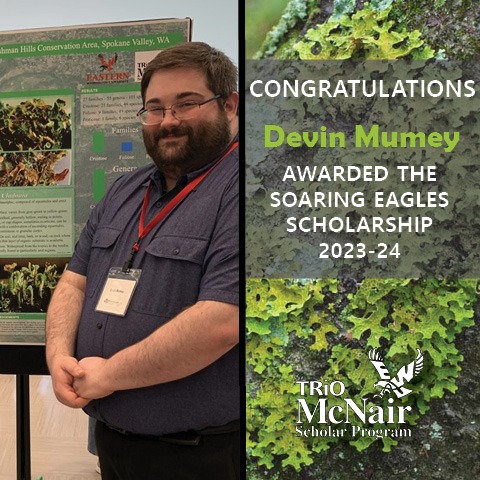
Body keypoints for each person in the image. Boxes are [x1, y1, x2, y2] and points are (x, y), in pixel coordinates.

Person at [45, 41, 240, 479]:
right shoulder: (124, 190)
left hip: (198, 455)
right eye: (155, 108)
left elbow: (223, 321)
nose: (168, 121)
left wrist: (110, 374)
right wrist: (58, 355)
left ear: (229, 105)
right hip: (116, 443)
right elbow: (74, 280)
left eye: (186, 104)